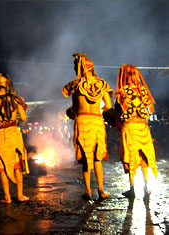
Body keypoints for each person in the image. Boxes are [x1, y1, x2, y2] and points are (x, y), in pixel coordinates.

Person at [62, 53, 113, 200]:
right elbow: (108, 106)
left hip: (83, 121)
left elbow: (74, 108)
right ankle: (101, 191)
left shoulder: (76, 84)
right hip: (97, 121)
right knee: (97, 158)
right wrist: (101, 110)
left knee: (86, 158)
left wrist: (69, 112)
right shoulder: (102, 84)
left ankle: (88, 191)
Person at [0, 73, 29, 203]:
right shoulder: (16, 99)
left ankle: (7, 197)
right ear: (8, 84)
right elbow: (23, 118)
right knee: (16, 166)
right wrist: (17, 123)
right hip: (13, 133)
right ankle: (20, 195)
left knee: (1, 166)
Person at [114, 64, 158, 197]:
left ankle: (132, 189)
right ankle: (145, 188)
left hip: (131, 127)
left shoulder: (122, 91)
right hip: (142, 127)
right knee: (143, 158)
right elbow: (151, 108)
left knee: (132, 158)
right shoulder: (142, 91)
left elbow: (117, 108)